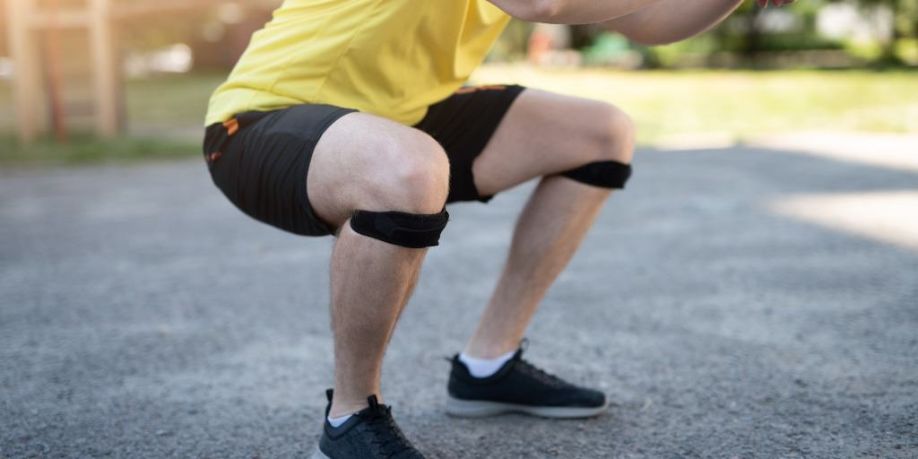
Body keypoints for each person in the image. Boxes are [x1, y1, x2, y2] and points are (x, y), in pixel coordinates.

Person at [202, 1, 795, 457]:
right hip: (258, 125)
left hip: (401, 118)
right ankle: (351, 416)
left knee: (600, 132)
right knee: (408, 165)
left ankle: (488, 365)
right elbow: (542, 5)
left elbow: (651, 19)